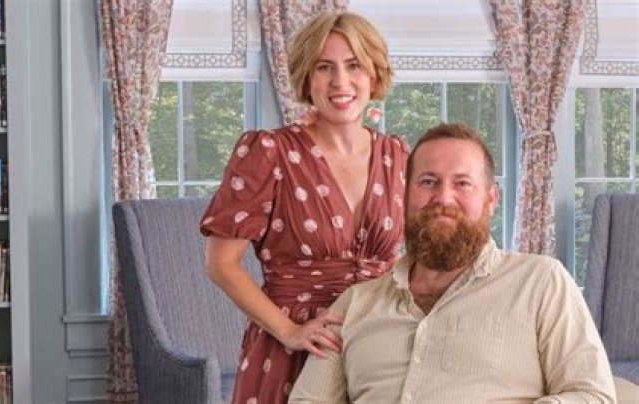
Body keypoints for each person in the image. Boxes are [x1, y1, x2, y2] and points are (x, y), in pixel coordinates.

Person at [289, 122, 617, 403]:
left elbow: (593, 395)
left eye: (462, 183)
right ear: (404, 196)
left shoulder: (540, 282)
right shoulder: (355, 304)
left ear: (491, 199)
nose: (444, 197)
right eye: (428, 182)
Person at [199, 11, 410, 404]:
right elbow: (220, 263)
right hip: (293, 349)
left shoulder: (397, 155)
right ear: (306, 78)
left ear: (374, 75)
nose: (340, 82)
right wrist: (289, 331)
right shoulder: (269, 151)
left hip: (377, 346)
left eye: (354, 66)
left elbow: (411, 259)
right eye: (324, 67)